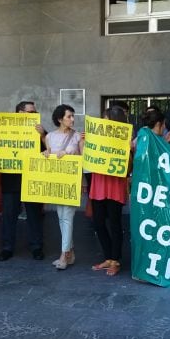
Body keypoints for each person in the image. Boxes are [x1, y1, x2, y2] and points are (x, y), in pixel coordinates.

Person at [0, 101, 46, 262]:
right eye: (30, 112)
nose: (33, 115)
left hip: (33, 180)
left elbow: (50, 150)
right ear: (19, 113)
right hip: (10, 181)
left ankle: (36, 247)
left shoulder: (40, 131)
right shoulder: (3, 129)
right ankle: (7, 248)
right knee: (9, 216)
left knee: (34, 216)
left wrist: (43, 135)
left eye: (34, 112)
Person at [90, 106, 130, 276]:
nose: (103, 122)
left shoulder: (125, 140)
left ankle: (116, 260)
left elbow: (128, 169)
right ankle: (108, 257)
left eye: (106, 119)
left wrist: (128, 150)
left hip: (114, 184)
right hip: (99, 182)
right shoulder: (96, 138)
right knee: (98, 223)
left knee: (114, 224)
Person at [46, 104, 85, 270]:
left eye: (73, 116)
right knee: (61, 216)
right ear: (59, 119)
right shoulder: (49, 137)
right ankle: (70, 252)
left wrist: (72, 153)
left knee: (67, 217)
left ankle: (64, 254)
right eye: (69, 116)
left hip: (71, 181)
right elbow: (48, 156)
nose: (72, 119)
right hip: (57, 182)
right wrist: (46, 155)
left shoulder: (78, 136)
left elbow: (84, 159)